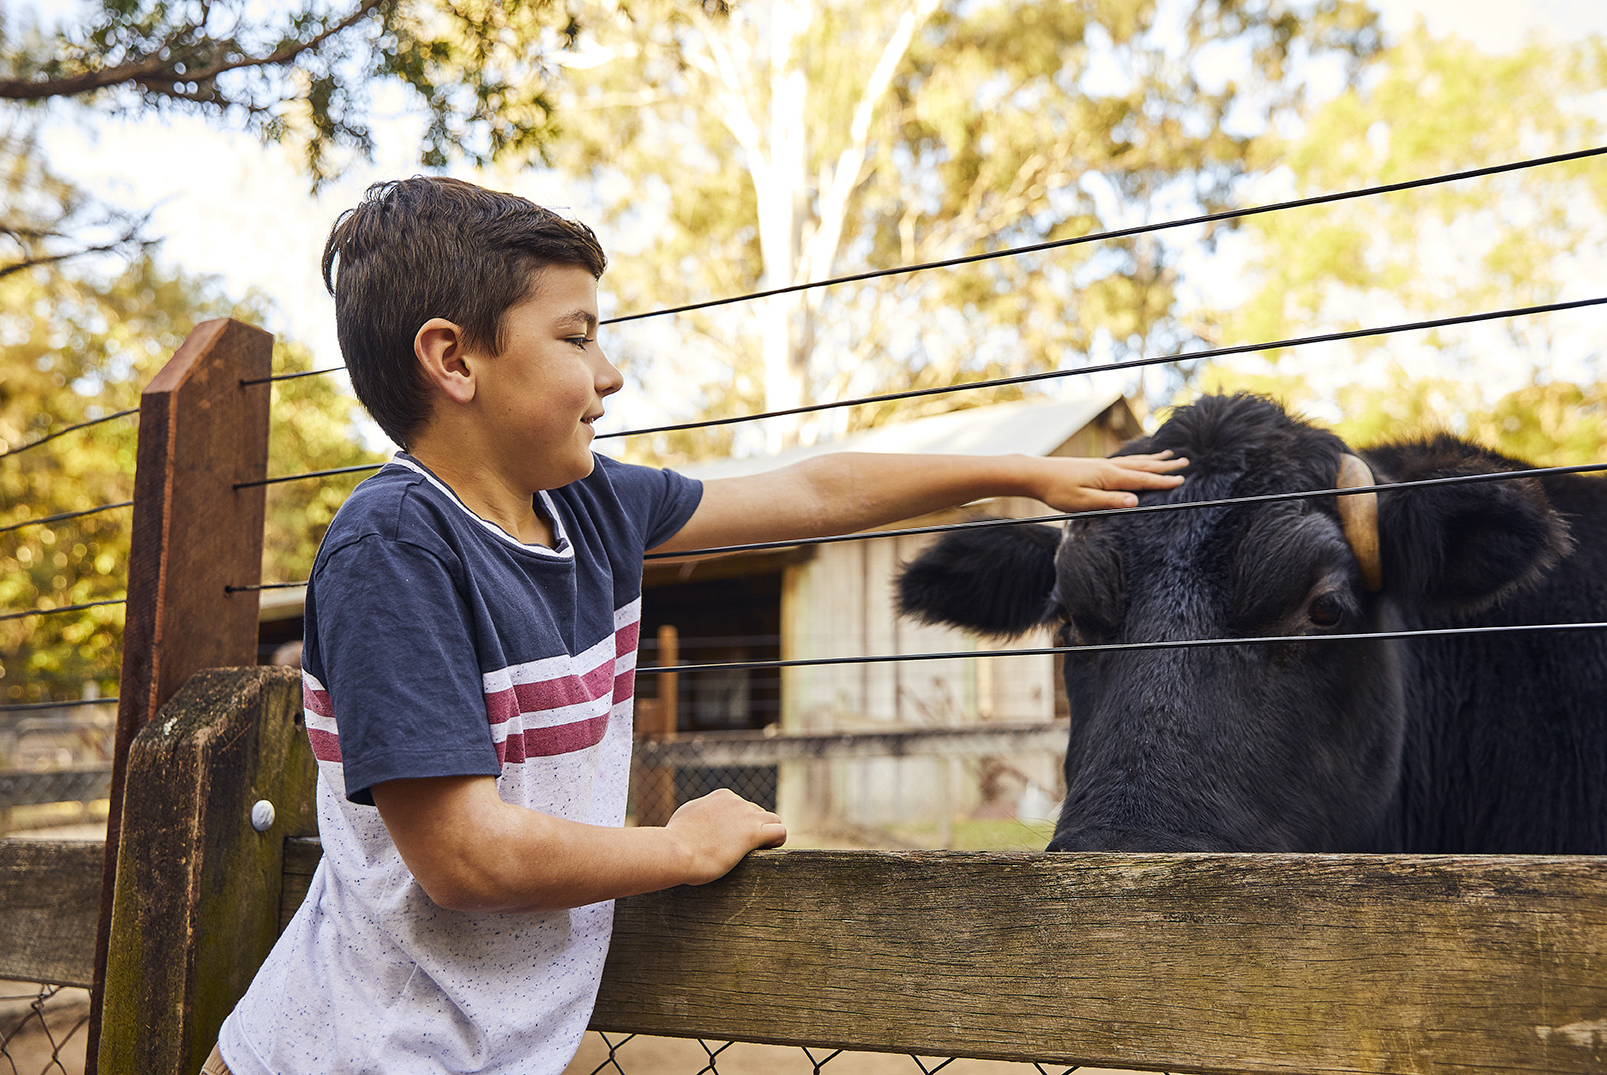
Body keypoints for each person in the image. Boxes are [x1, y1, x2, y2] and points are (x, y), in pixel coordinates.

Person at [210, 175, 1186, 1075]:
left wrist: (1013, 472)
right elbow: (465, 856)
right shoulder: (391, 548)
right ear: (453, 358)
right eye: (576, 337)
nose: (611, 372)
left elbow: (809, 487)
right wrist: (677, 846)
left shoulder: (590, 506)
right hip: (352, 1050)